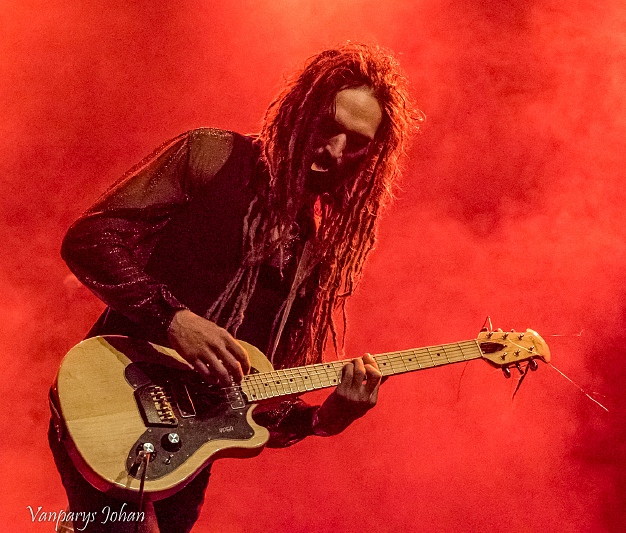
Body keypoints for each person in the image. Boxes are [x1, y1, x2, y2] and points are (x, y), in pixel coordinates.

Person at [49, 42, 422, 532]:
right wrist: (174, 320)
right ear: (299, 110)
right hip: (109, 399)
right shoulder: (212, 156)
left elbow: (257, 407)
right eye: (327, 126)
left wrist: (326, 418)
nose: (333, 151)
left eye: (355, 142)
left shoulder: (310, 259)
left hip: (183, 457)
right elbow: (90, 240)